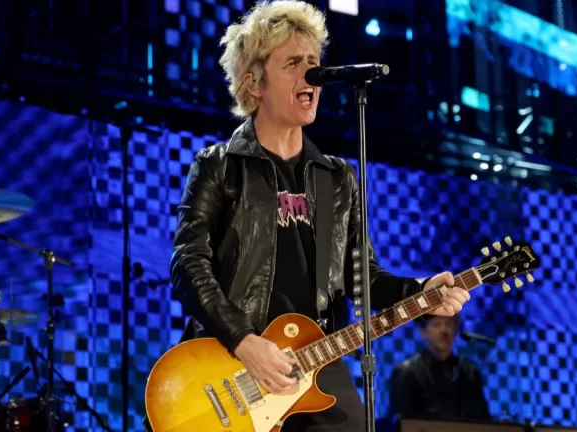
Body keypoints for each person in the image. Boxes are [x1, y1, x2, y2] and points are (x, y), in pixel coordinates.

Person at [169, 1, 472, 430]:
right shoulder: (219, 167)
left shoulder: (337, 178)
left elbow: (363, 278)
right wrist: (243, 340)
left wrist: (422, 291)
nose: (311, 74)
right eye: (293, 62)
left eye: (314, 61)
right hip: (235, 362)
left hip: (316, 365)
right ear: (253, 82)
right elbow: (189, 264)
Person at [389, 315, 491, 422]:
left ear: (456, 330)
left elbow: (483, 420)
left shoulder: (470, 372)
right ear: (423, 332)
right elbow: (400, 423)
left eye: (449, 324)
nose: (443, 330)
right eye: (436, 324)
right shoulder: (407, 372)